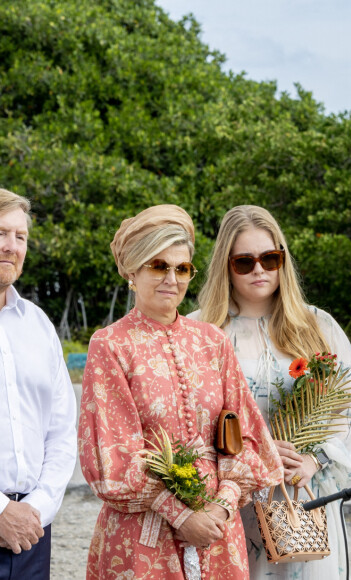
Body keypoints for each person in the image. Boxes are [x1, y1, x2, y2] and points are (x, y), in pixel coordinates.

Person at [78, 204, 283, 580]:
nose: (172, 279)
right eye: (159, 266)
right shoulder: (111, 345)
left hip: (217, 532)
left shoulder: (212, 341)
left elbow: (246, 434)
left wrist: (220, 508)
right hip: (142, 534)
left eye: (182, 268)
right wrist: (180, 515)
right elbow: (112, 454)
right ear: (132, 272)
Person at [188, 205, 351, 580]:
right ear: (226, 265)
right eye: (244, 262)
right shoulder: (199, 330)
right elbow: (183, 418)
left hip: (299, 497)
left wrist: (314, 461)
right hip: (228, 500)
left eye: (270, 259)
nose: (259, 270)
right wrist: (253, 452)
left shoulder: (317, 325)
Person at [0, 188, 77, 580]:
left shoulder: (39, 325)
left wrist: (37, 509)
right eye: (1, 233)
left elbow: (62, 430)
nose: (10, 246)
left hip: (32, 534)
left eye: (20, 236)